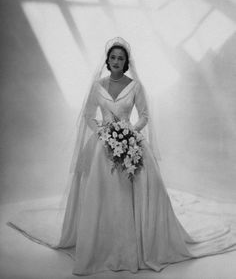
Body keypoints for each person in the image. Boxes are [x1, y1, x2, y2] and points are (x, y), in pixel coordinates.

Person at [8, 37, 236, 276]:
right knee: (100, 189)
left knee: (148, 184)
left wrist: (129, 132)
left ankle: (141, 240)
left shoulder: (136, 86)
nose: (116, 61)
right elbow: (88, 115)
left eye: (121, 58)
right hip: (103, 143)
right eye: (113, 58)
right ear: (107, 61)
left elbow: (145, 116)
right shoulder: (97, 86)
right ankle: (102, 242)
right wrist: (104, 134)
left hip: (130, 140)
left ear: (126, 62)